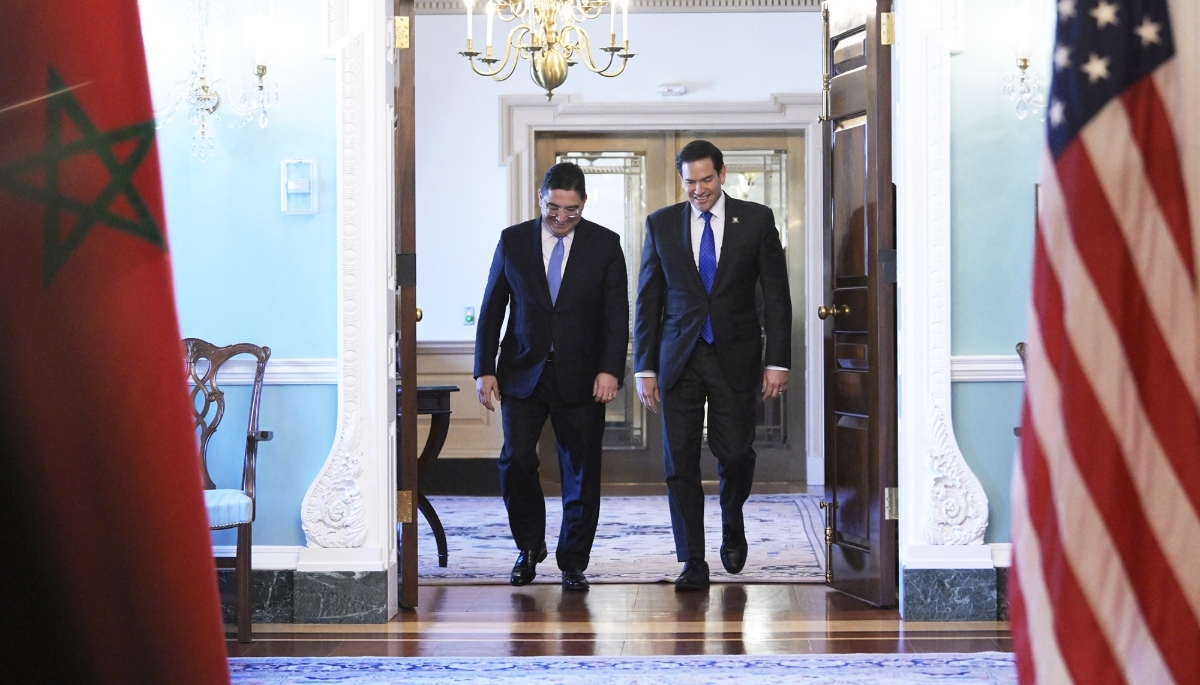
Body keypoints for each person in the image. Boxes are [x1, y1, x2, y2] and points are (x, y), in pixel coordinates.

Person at [633, 140, 791, 591]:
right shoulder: (661, 224)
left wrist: (777, 359)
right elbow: (648, 300)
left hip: (735, 356)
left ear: (722, 175)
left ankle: (732, 519)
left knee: (735, 453)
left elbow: (777, 297)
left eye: (706, 180)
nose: (698, 190)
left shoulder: (756, 220)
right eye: (690, 182)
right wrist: (644, 366)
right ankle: (693, 560)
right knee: (678, 459)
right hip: (678, 358)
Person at [474, 162, 629, 591]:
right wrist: (484, 368)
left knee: (580, 470)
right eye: (554, 209)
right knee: (516, 460)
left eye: (572, 210)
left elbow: (617, 316)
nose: (561, 218)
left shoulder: (605, 244)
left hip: (583, 377)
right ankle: (528, 547)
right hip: (522, 372)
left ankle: (573, 561)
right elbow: (492, 309)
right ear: (541, 198)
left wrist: (610, 369)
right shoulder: (513, 241)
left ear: (583, 203)